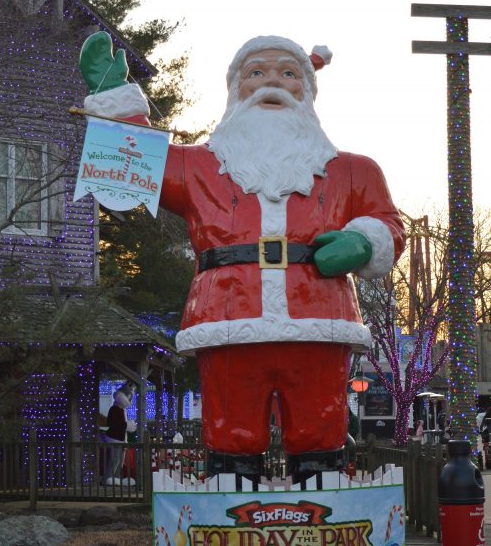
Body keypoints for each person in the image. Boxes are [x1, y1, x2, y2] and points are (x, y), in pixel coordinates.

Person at [80, 33, 406, 477]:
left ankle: (320, 517)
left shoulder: (354, 170)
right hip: (226, 318)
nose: (272, 81)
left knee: (320, 430)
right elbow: (139, 161)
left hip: (320, 320)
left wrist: (365, 241)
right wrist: (114, 102)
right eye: (257, 72)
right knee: (231, 432)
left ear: (306, 90)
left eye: (288, 73)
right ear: (237, 90)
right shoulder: (197, 166)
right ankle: (233, 519)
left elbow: (387, 222)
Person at [102, 383, 137, 483]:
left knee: (120, 461)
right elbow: (114, 424)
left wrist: (127, 426)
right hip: (114, 438)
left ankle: (115, 479)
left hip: (120, 439)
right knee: (115, 460)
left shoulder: (122, 410)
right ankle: (108, 479)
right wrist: (126, 426)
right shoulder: (114, 409)